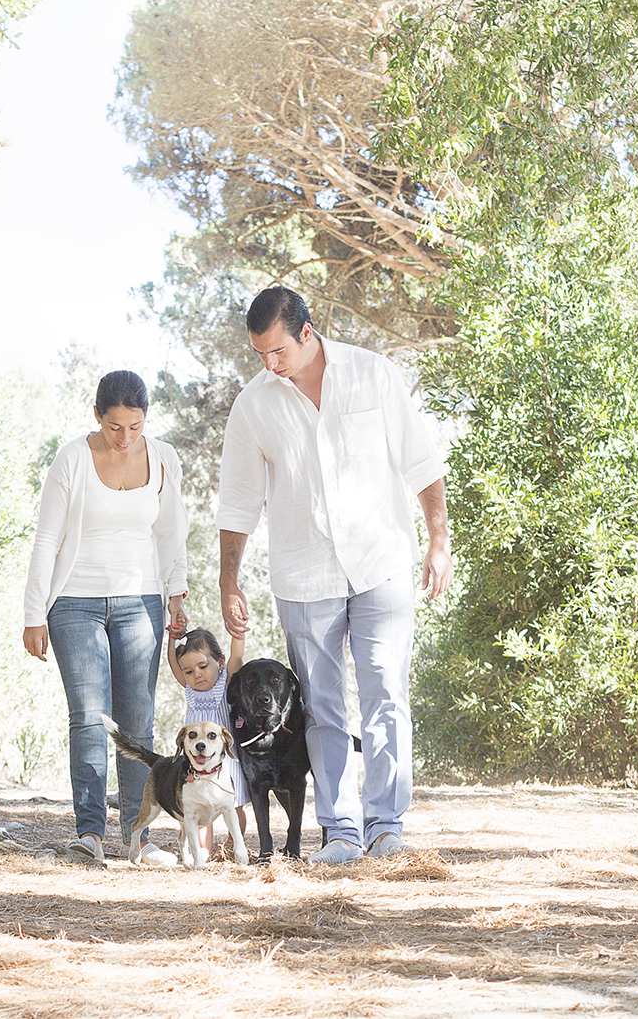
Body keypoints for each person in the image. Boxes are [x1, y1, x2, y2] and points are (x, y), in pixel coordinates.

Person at [216, 286, 451, 865]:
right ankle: (341, 833)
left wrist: (439, 540)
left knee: (385, 693)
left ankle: (386, 826)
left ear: (306, 331)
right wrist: (228, 580)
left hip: (382, 562)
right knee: (321, 708)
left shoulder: (375, 376)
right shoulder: (253, 405)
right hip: (304, 574)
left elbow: (421, 461)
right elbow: (239, 501)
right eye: (259, 354)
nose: (270, 364)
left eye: (277, 351)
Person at [23, 369, 189, 865]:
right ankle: (90, 833)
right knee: (90, 717)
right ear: (97, 416)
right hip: (74, 602)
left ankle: (137, 835)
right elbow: (47, 539)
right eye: (115, 426)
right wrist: (34, 614)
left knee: (137, 721)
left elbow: (171, 534)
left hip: (140, 602)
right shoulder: (72, 458)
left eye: (135, 427)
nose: (125, 438)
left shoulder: (162, 459)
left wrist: (175, 595)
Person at [167, 625, 248, 854]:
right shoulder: (189, 689)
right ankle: (203, 849)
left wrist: (237, 633)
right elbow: (173, 662)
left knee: (234, 804)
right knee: (200, 807)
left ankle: (235, 844)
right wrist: (173, 636)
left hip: (225, 761)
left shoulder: (224, 685)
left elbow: (237, 656)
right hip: (196, 762)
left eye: (203, 666)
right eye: (189, 671)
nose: (197, 675)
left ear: (219, 662)